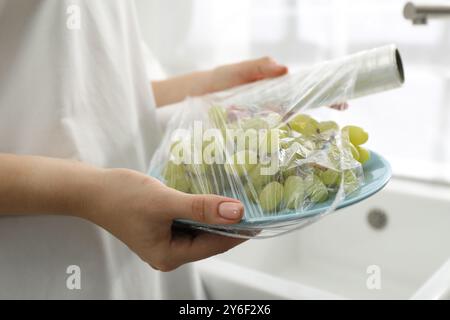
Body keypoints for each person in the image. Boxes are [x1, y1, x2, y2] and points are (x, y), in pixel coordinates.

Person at [0, 0, 290, 299]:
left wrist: (206, 88)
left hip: (131, 253)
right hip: (41, 266)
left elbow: (96, 89)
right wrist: (90, 193)